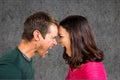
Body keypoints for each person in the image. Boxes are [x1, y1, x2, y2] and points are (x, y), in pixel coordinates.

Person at [0, 12, 58, 80]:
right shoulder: (10, 68)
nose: (55, 43)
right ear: (37, 35)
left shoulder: (25, 61)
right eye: (53, 38)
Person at [58, 15, 107, 80]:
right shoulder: (75, 64)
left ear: (74, 37)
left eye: (61, 36)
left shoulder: (93, 70)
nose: (59, 41)